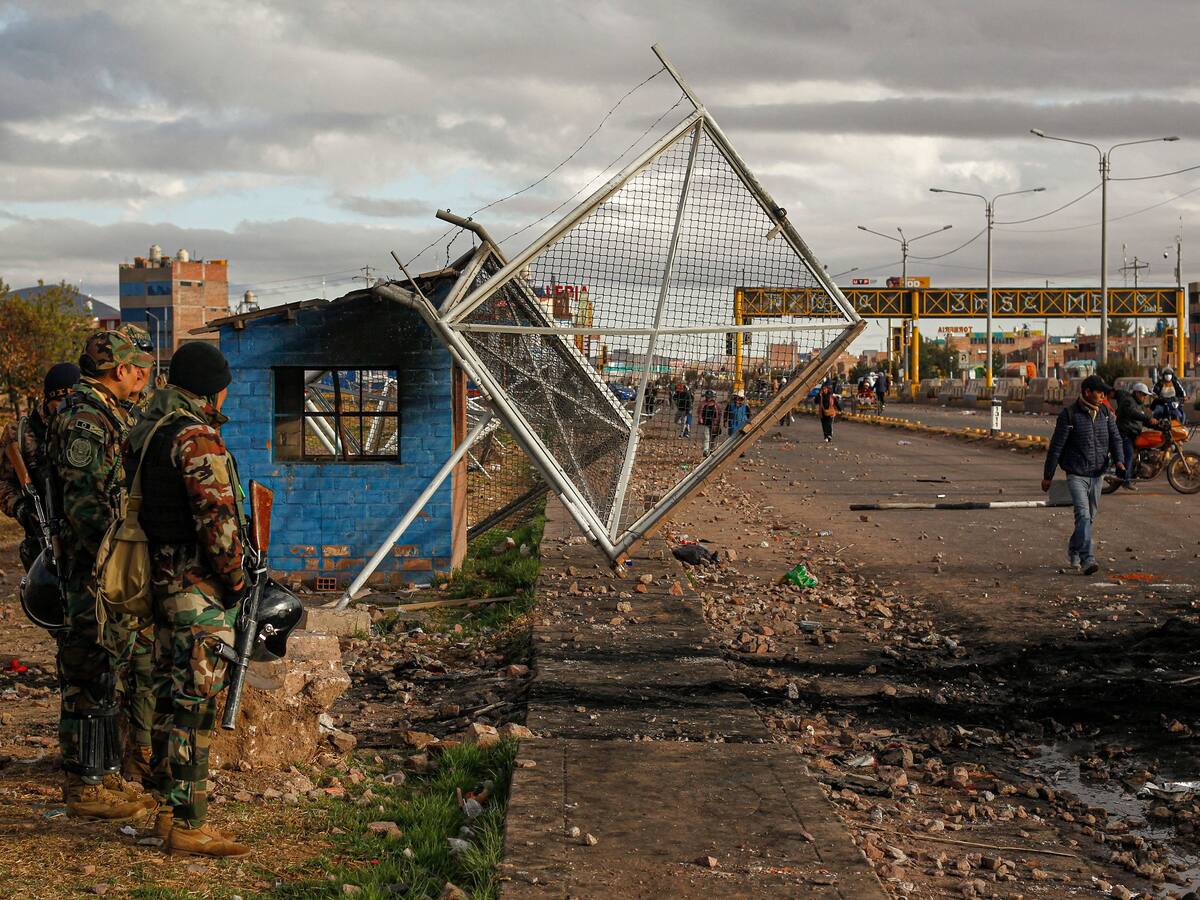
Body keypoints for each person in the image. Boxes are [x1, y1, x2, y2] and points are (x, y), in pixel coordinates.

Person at [129, 341, 250, 857]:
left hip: (156, 584)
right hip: (196, 590)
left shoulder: (148, 431)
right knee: (195, 708)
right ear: (211, 386)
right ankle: (189, 823)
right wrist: (238, 582)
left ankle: (164, 810)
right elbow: (217, 522)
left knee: (163, 699)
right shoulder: (196, 439)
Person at [50, 330, 156, 820]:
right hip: (91, 570)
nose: (144, 378)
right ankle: (83, 785)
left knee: (106, 668)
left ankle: (105, 774)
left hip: (105, 568)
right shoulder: (86, 419)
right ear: (121, 370)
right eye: (141, 369)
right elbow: (86, 505)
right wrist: (115, 564)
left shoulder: (109, 413)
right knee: (88, 668)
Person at [1042, 374, 1124, 575]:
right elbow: (1056, 447)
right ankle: (1088, 558)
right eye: (1099, 392)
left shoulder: (1105, 413)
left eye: (1104, 393)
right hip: (1076, 474)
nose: (1103, 396)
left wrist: (1120, 460)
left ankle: (1073, 550)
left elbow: (1115, 438)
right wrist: (1048, 475)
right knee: (1083, 514)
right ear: (1087, 392)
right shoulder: (1069, 415)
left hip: (1098, 474)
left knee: (1089, 517)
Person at [0, 363, 79, 570]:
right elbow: (3, 483)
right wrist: (21, 508)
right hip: (41, 541)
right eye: (59, 400)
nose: (64, 407)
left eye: (71, 400)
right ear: (47, 398)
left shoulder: (85, 429)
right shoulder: (21, 434)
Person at [1112, 382, 1158, 491]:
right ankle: (1126, 481)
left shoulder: (1139, 404)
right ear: (1137, 393)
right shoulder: (1129, 401)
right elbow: (1133, 414)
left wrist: (1156, 424)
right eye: (1143, 394)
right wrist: (1147, 419)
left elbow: (1143, 419)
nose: (1145, 397)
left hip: (1133, 434)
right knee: (1129, 455)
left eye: (1146, 395)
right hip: (1125, 433)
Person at [698, 389, 721, 455]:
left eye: (709, 397)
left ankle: (711, 449)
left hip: (714, 424)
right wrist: (700, 419)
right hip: (706, 423)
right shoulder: (703, 404)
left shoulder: (717, 405)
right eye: (707, 397)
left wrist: (717, 422)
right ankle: (706, 450)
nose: (708, 398)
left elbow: (719, 415)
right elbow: (700, 412)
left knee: (713, 437)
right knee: (706, 436)